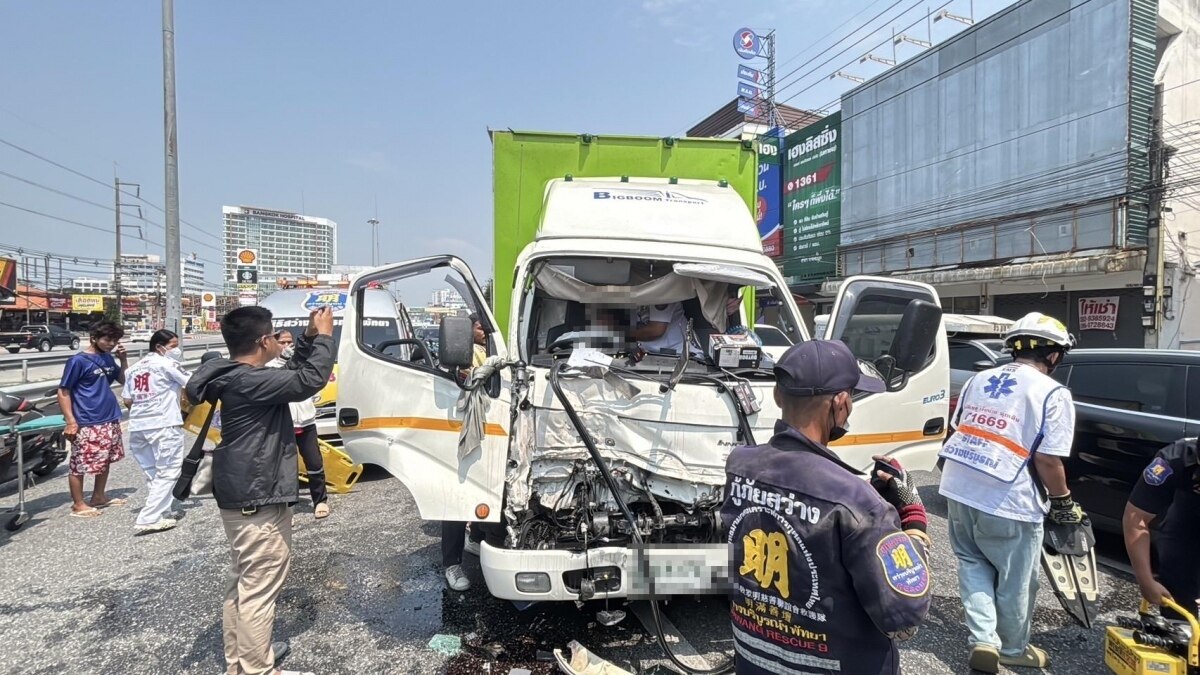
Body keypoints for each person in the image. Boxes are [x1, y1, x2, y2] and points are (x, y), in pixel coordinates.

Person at [721, 339, 931, 675]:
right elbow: (904, 618)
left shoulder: (739, 466)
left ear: (778, 396)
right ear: (841, 403)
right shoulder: (861, 505)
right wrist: (913, 520)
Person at [186, 306, 335, 675]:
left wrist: (309, 339)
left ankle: (242, 662)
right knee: (258, 589)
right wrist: (328, 337)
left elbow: (288, 372)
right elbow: (309, 379)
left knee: (244, 584)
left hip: (243, 494)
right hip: (256, 496)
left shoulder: (238, 375)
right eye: (274, 336)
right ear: (264, 341)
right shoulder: (248, 381)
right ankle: (258, 669)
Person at [938, 312, 1079, 673]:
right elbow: (1047, 459)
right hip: (1009, 497)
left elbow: (958, 430)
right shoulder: (1053, 393)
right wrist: (1063, 501)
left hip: (960, 485)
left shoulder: (978, 379)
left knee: (973, 562)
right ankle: (1013, 648)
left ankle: (984, 639)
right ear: (1054, 355)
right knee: (1016, 578)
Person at [121, 329, 191, 533]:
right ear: (159, 347)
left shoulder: (133, 369)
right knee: (168, 471)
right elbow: (190, 382)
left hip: (138, 426)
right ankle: (149, 518)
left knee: (153, 472)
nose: (176, 350)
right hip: (163, 423)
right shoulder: (166, 364)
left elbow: (127, 399)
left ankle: (162, 512)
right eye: (173, 346)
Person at [58, 321, 130, 518]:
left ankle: (99, 496)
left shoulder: (107, 358)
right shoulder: (78, 361)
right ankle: (78, 504)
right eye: (107, 339)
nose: (111, 344)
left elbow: (123, 380)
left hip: (109, 416)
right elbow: (63, 391)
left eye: (114, 340)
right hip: (87, 419)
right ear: (94, 338)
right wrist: (71, 421)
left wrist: (123, 360)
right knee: (79, 462)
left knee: (105, 458)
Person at [1122, 438, 1200, 620]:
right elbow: (1136, 519)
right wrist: (1146, 581)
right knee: (1177, 576)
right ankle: (1180, 636)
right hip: (1189, 512)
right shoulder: (1171, 461)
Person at [444, 313, 488, 591]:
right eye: (479, 327)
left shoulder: (492, 351)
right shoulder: (460, 355)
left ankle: (475, 539)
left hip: (491, 432)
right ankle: (451, 563)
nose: (483, 332)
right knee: (456, 496)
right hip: (461, 429)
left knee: (488, 491)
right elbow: (457, 380)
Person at [268, 330, 329, 520]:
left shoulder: (302, 361)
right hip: (283, 423)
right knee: (286, 467)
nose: (287, 346)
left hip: (306, 419)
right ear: (272, 343)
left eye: (290, 342)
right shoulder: (268, 366)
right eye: (282, 342)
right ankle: (287, 508)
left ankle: (320, 501)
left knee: (314, 463)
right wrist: (285, 362)